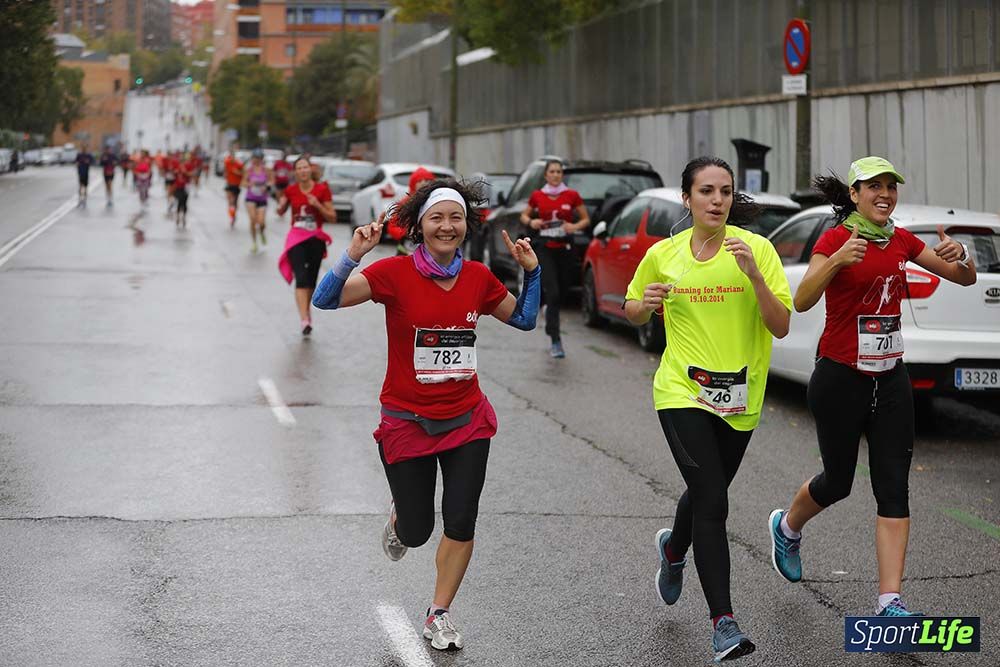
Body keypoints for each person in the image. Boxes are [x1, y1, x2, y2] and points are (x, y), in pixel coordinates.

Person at [310, 179, 542, 652]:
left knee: (462, 519)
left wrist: (532, 272)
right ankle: (401, 519)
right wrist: (352, 255)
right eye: (437, 217)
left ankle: (439, 613)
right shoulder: (393, 273)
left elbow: (522, 319)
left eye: (455, 217)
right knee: (418, 532)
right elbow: (325, 300)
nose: (447, 226)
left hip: (467, 419)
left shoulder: (478, 277)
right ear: (419, 225)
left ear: (466, 225)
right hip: (407, 421)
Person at [768, 157, 977, 618]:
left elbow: (964, 280)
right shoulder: (835, 238)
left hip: (891, 379)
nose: (885, 194)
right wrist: (838, 260)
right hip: (840, 378)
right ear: (855, 193)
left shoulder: (900, 238)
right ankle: (787, 526)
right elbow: (802, 302)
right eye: (874, 186)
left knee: (894, 488)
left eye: (890, 186)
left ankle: (890, 602)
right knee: (838, 482)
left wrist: (962, 259)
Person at [624, 157, 791, 663]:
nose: (716, 200)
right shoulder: (664, 253)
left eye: (725, 191)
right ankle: (724, 623)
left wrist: (754, 278)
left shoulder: (757, 250)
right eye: (706, 191)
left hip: (740, 400)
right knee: (713, 500)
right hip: (681, 393)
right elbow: (632, 309)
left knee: (704, 493)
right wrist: (646, 303)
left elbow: (780, 325)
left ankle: (674, 550)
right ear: (687, 198)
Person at [520, 159, 590, 358]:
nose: (556, 175)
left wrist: (574, 227)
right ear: (546, 175)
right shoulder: (537, 195)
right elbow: (524, 216)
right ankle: (556, 340)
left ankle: (548, 310)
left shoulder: (572, 195)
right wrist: (532, 221)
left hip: (565, 248)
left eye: (559, 171)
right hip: (545, 248)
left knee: (563, 291)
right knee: (553, 293)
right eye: (552, 171)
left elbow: (585, 219)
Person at [277, 157, 335, 334]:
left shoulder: (322, 190)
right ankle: (304, 319)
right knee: (301, 278)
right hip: (296, 238)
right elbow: (281, 210)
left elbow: (332, 217)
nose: (302, 170)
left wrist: (317, 205)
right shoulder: (291, 190)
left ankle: (306, 311)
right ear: (295, 172)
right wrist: (280, 206)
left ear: (310, 170)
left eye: (305, 167)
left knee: (310, 280)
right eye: (299, 168)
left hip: (315, 238)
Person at [386, 166, 435, 256]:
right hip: (406, 252)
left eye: (427, 180)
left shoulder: (437, 203)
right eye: (420, 181)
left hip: (431, 253)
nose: (424, 183)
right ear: (413, 184)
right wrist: (405, 232)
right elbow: (392, 227)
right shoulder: (405, 203)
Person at [242, 149, 272, 253]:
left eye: (259, 158)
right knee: (253, 220)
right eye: (255, 158)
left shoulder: (267, 170)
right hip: (250, 198)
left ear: (262, 159)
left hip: (262, 199)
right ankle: (254, 243)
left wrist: (266, 186)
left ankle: (262, 233)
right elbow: (243, 183)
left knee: (261, 222)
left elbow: (272, 181)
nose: (256, 160)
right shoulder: (249, 170)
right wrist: (249, 184)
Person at [224, 145, 244, 227]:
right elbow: (225, 170)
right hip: (229, 184)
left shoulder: (239, 164)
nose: (231, 158)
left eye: (233, 156)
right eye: (230, 156)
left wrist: (237, 172)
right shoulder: (227, 162)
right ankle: (231, 216)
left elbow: (243, 173)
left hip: (236, 185)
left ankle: (234, 215)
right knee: (230, 201)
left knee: (235, 202)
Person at [173, 153, 191, 229]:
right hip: (178, 186)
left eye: (183, 160)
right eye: (181, 160)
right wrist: (176, 171)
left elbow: (192, 174)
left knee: (184, 202)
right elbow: (173, 174)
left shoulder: (188, 166)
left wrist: (185, 172)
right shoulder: (177, 166)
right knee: (179, 201)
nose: (182, 161)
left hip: (186, 186)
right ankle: (177, 217)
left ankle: (183, 217)